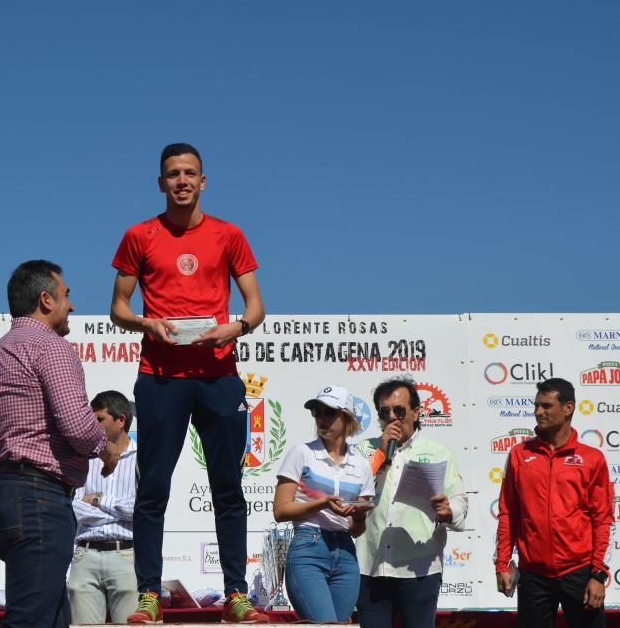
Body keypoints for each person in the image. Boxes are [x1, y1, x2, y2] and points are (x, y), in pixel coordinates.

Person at [110, 143, 268, 624]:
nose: (181, 181)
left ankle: (236, 596)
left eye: (190, 174)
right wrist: (147, 324)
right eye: (172, 174)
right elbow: (118, 308)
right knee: (153, 487)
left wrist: (235, 327)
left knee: (228, 487)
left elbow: (256, 305)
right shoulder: (139, 235)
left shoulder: (229, 234)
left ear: (203, 181)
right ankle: (149, 596)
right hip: (160, 377)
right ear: (160, 183)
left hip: (218, 374)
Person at [0, 260, 121, 628]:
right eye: (67, 296)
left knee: (51, 617)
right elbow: (78, 426)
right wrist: (107, 448)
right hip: (38, 501)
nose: (73, 306)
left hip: (3, 500)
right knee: (31, 619)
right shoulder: (51, 348)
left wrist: (10, 474)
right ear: (46, 300)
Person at [495, 377, 613, 628]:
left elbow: (603, 520)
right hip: (533, 574)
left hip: (579, 572)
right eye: (537, 405)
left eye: (546, 406)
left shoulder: (592, 458)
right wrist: (502, 563)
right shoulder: (519, 454)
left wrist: (598, 575)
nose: (538, 412)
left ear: (568, 408)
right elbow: (508, 513)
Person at [354, 376, 468, 628]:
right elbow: (351, 497)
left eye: (399, 410)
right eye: (385, 412)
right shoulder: (363, 451)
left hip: (419, 569)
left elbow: (459, 500)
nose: (392, 417)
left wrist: (449, 511)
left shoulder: (439, 452)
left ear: (416, 413)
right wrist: (381, 456)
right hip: (370, 567)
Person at [273, 385, 373, 622]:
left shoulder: (361, 465)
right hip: (309, 547)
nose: (321, 418)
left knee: (338, 625)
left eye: (329, 412)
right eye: (317, 412)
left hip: (346, 552)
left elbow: (357, 530)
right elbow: (280, 510)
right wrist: (322, 504)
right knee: (326, 624)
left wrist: (359, 516)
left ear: (346, 416)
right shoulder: (302, 453)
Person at [67, 390, 138, 624]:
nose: (93, 426)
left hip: (126, 554)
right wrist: (118, 514)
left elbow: (140, 511)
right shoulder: (83, 457)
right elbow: (74, 507)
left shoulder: (143, 457)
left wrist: (98, 501)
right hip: (85, 554)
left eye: (99, 420)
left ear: (121, 420)